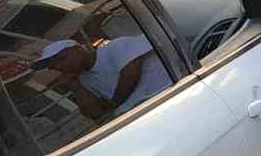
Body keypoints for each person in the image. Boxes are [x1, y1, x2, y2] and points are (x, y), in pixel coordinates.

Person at [34, 34, 170, 119]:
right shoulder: (84, 80)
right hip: (139, 117)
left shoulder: (114, 47)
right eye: (54, 67)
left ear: (78, 49)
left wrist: (113, 105)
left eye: (61, 59)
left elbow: (130, 74)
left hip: (165, 98)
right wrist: (75, 86)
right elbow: (96, 113)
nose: (59, 67)